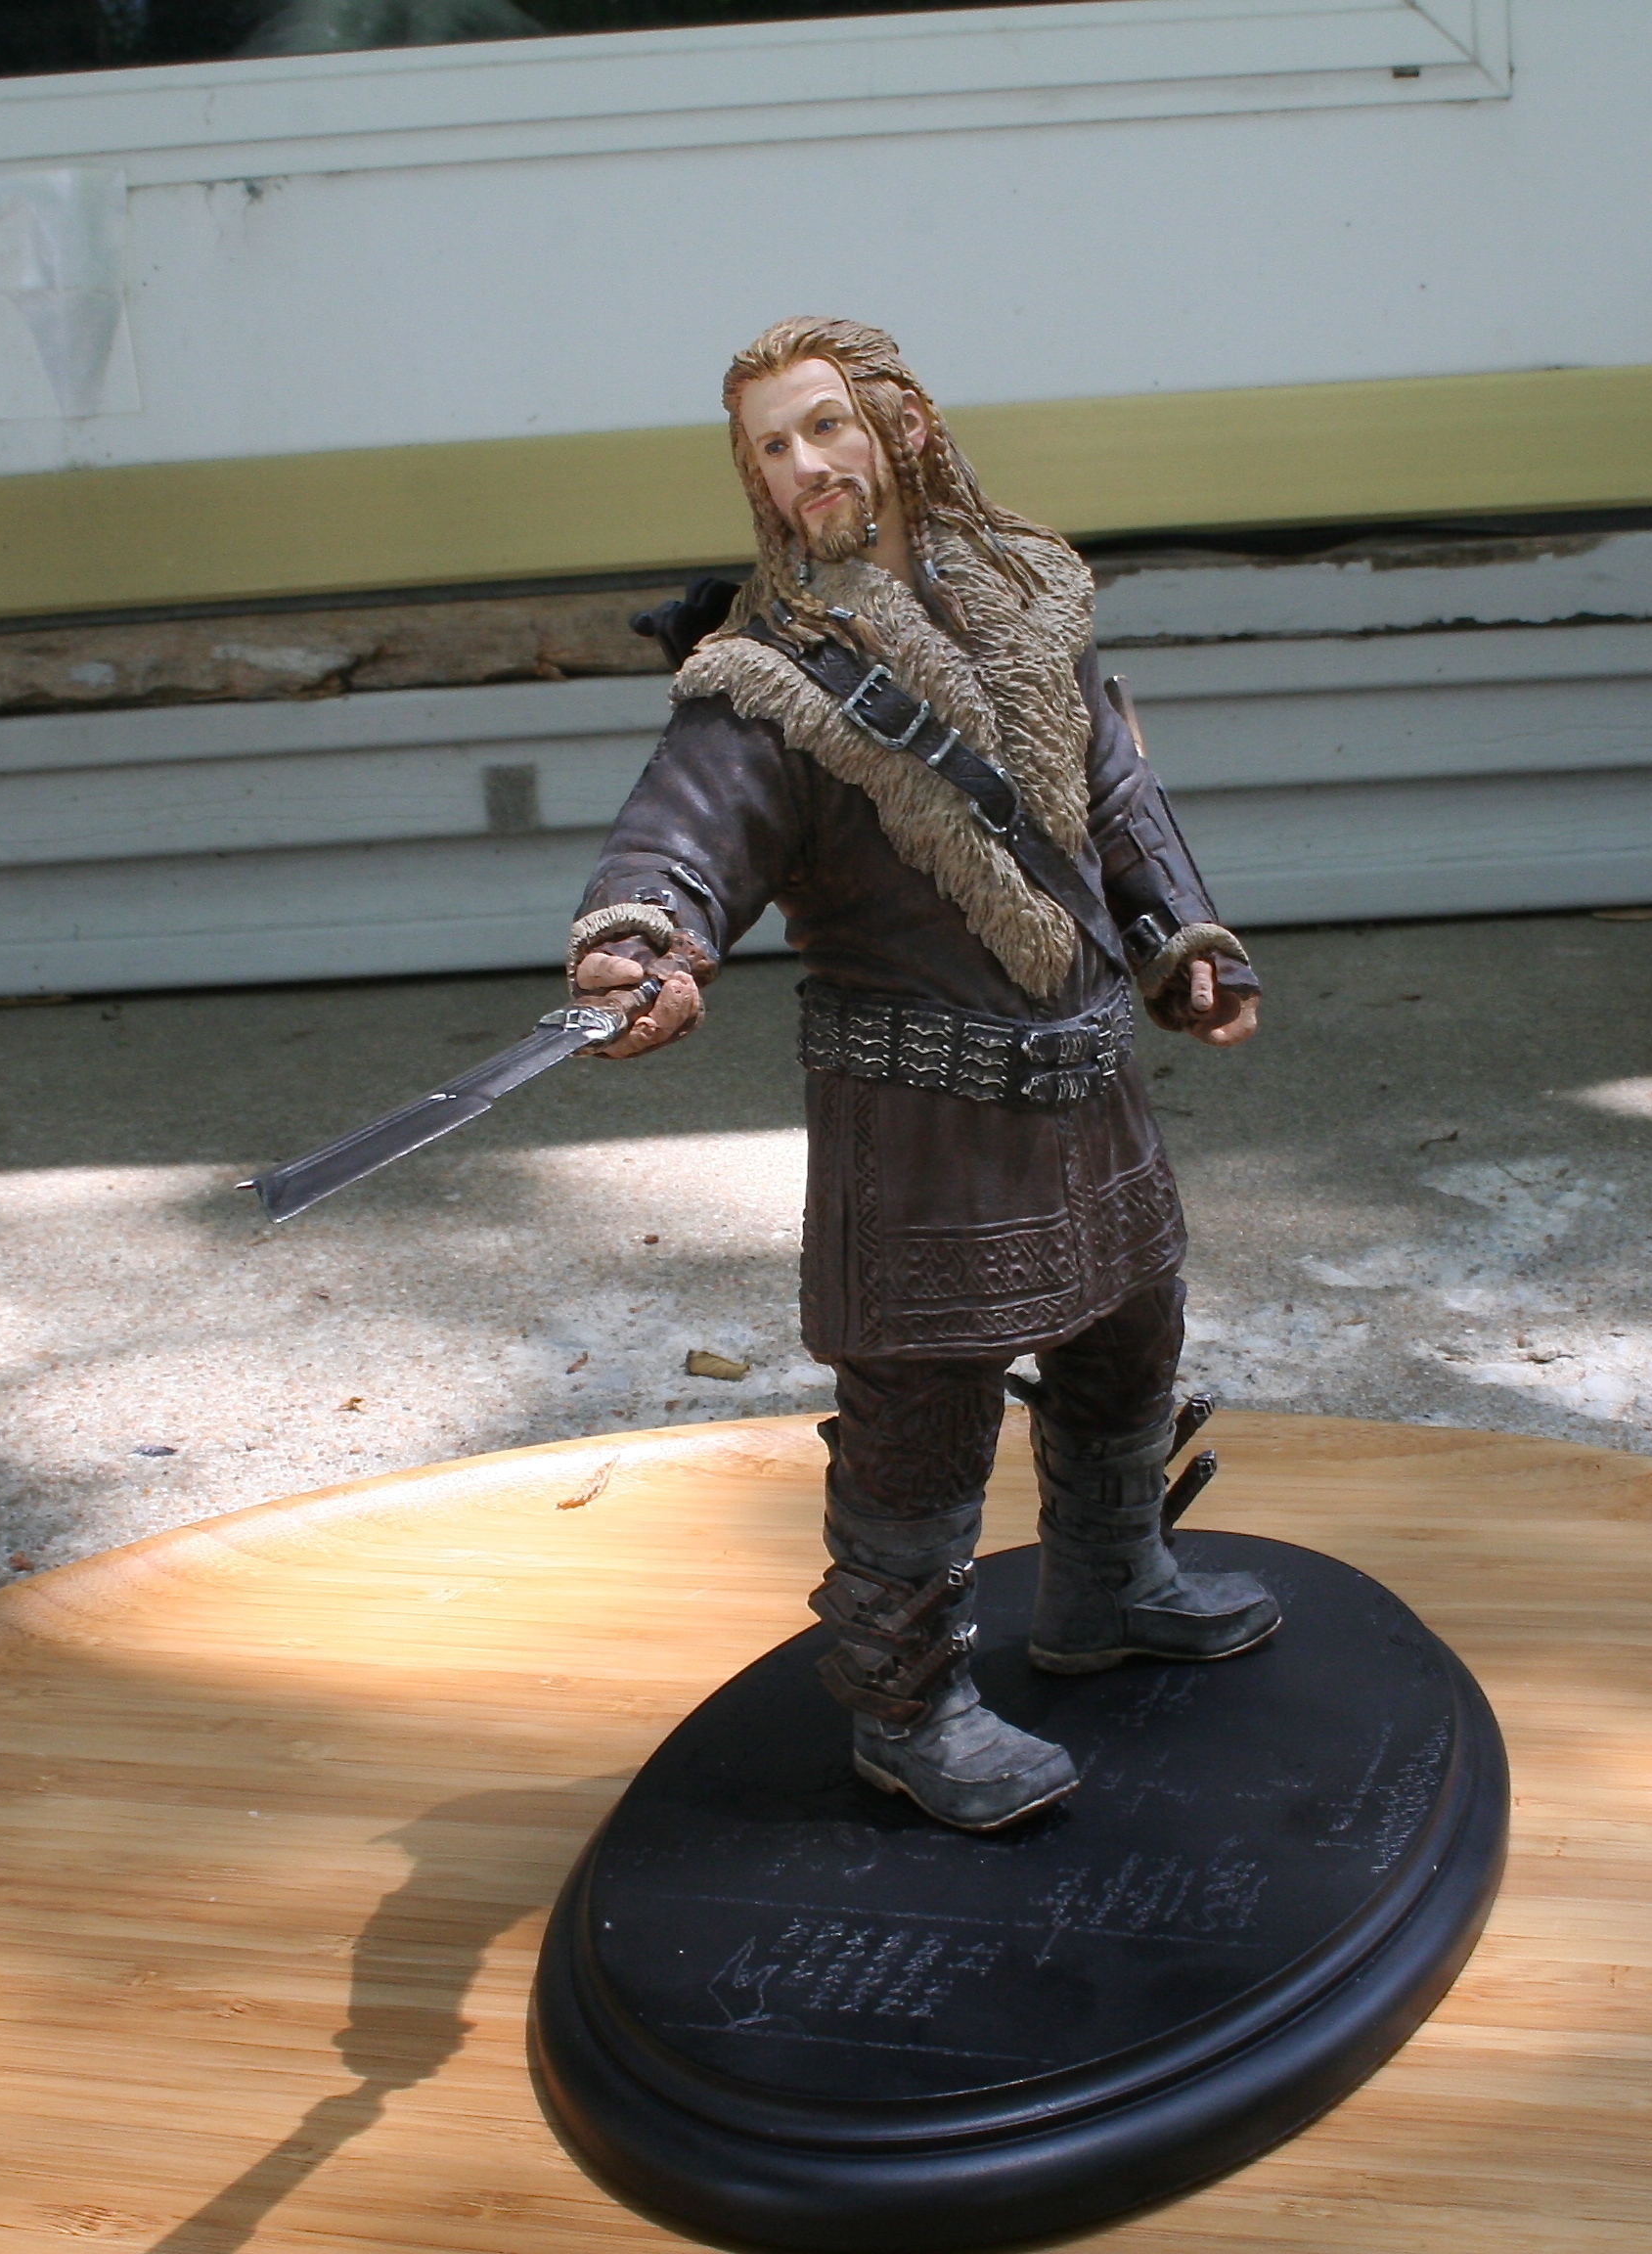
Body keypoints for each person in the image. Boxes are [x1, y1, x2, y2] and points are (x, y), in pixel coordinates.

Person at [567, 317, 1272, 1831]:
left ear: (898, 425)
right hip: (921, 1119)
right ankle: (905, 1710)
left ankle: (1107, 1582)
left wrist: (1181, 939)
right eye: (772, 445)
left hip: (1087, 1082)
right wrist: (639, 940)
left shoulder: (1030, 603)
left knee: (1130, 1332)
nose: (806, 464)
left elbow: (1117, 798)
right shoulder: (764, 680)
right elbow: (683, 829)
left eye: (825, 425)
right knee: (921, 1418)